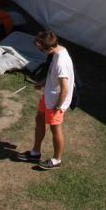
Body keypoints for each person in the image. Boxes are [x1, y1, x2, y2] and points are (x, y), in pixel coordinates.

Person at [17, 31, 75, 170]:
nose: (40, 51)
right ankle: (35, 153)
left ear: (49, 48)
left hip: (56, 101)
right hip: (49, 96)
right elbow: (52, 75)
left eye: (41, 49)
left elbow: (65, 89)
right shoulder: (57, 51)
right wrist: (43, 83)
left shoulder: (61, 61)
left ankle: (57, 160)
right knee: (40, 119)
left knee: (55, 129)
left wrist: (57, 107)